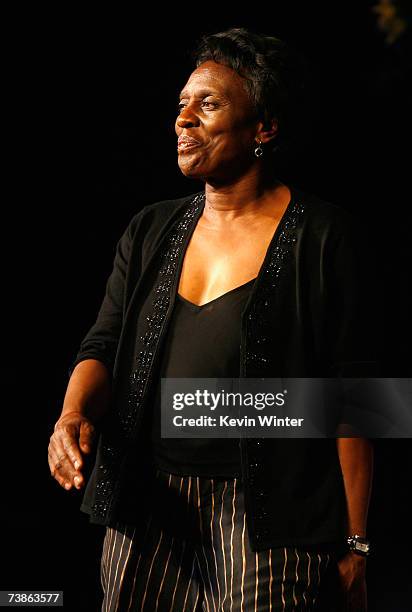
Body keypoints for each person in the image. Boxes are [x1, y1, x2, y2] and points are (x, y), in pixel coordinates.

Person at [48, 28, 377, 611]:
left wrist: (355, 544)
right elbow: (101, 344)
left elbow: (357, 399)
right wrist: (72, 415)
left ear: (264, 128)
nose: (184, 120)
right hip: (148, 509)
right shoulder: (150, 229)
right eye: (181, 105)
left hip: (270, 524)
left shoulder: (325, 237)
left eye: (209, 103)